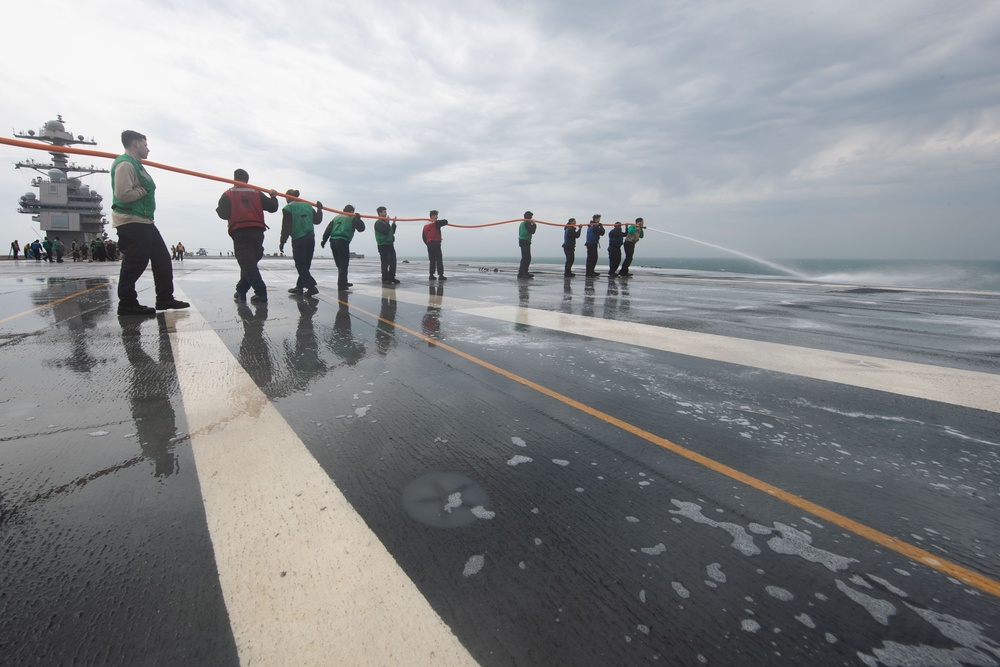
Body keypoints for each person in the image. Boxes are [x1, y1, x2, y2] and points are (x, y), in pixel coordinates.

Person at [111, 130, 189, 316]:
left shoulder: (136, 165)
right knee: (135, 262)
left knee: (162, 259)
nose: (148, 149)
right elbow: (122, 195)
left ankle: (164, 298)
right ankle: (127, 303)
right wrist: (142, 191)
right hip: (131, 220)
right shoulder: (125, 165)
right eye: (145, 144)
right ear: (135, 144)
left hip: (144, 220)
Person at [216, 169, 279, 303]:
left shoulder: (228, 194)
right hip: (257, 231)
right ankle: (241, 291)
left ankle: (261, 292)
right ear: (247, 179)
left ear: (234, 179)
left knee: (248, 264)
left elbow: (224, 214)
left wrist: (218, 210)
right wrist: (274, 196)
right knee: (249, 263)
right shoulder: (257, 193)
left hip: (240, 231)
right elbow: (273, 207)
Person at [278, 189, 323, 296]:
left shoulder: (288, 208)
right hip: (310, 237)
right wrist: (320, 210)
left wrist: (282, 241)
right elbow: (317, 221)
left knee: (300, 264)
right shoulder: (308, 206)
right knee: (306, 263)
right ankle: (299, 287)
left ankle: (311, 287)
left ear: (288, 197)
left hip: (299, 238)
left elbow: (286, 227)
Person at [320, 204, 365, 291]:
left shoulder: (336, 218)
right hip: (342, 241)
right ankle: (341, 284)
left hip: (332, 241)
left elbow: (328, 229)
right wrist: (358, 219)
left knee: (339, 264)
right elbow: (361, 229)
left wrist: (324, 240)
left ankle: (344, 281)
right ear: (352, 211)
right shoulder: (352, 218)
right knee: (343, 264)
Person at [374, 206, 399, 285]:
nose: (386, 213)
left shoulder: (385, 222)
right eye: (384, 212)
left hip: (390, 244)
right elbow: (384, 231)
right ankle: (385, 278)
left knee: (393, 262)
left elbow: (391, 232)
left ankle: (392, 277)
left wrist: (393, 224)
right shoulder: (378, 223)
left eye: (386, 212)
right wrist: (388, 223)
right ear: (380, 213)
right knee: (385, 262)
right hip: (383, 245)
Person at [422, 210, 449, 280]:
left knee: (432, 260)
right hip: (435, 243)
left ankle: (431, 275)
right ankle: (440, 275)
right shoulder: (435, 223)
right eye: (436, 216)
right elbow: (445, 222)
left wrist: (427, 243)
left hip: (429, 244)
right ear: (433, 216)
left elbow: (423, 237)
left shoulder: (425, 225)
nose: (437, 217)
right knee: (439, 259)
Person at [517, 211, 537, 279]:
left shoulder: (522, 223)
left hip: (522, 240)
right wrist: (534, 224)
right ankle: (522, 273)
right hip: (525, 241)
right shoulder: (527, 223)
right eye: (531, 217)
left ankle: (524, 272)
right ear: (529, 217)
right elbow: (532, 231)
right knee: (526, 258)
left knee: (526, 257)